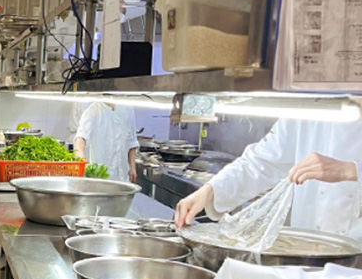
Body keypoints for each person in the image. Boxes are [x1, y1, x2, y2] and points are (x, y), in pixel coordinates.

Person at [174, 118, 362, 239]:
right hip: (309, 246)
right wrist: (210, 190)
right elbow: (261, 162)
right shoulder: (309, 104)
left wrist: (351, 170)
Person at [74, 99, 139, 183]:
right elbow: (80, 138)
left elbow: (131, 141)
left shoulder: (127, 108)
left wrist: (132, 167)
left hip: (123, 177)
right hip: (101, 178)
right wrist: (81, 159)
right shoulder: (93, 110)